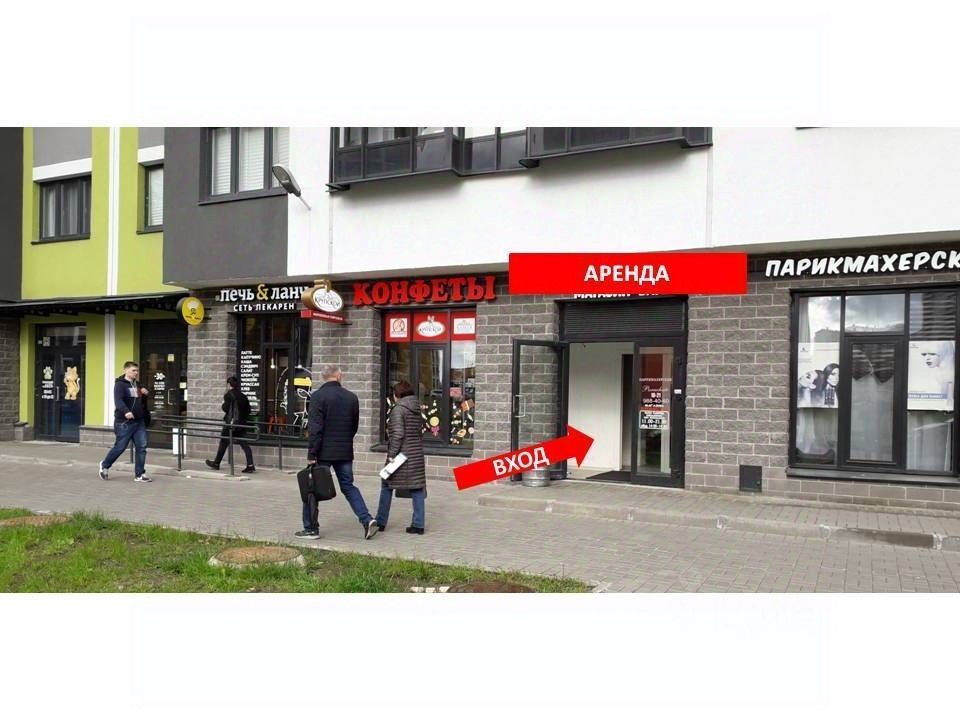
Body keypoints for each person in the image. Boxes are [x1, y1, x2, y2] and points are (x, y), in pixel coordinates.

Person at [298, 364, 378, 540]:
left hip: (323, 452)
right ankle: (367, 520)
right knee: (348, 486)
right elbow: (354, 426)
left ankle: (310, 528)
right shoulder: (351, 397)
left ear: (323, 377)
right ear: (339, 376)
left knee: (312, 489)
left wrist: (312, 454)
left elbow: (315, 429)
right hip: (344, 450)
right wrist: (345, 441)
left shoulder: (317, 397)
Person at [375, 380, 427, 534]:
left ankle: (380, 521)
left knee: (386, 483)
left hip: (400, 456)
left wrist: (391, 456)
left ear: (397, 394)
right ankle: (418, 525)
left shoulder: (398, 410)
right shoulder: (416, 408)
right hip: (416, 453)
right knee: (417, 487)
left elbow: (398, 435)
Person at [98, 361, 152, 483]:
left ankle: (139, 474)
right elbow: (118, 401)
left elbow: (139, 401)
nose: (136, 373)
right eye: (133, 370)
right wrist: (126, 411)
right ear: (125, 370)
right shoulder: (120, 385)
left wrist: (145, 394)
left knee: (142, 447)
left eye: (137, 370)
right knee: (120, 447)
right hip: (124, 422)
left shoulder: (138, 384)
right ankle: (105, 465)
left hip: (139, 421)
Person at [205, 376, 255, 473]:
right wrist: (241, 419)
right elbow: (248, 410)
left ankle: (216, 463)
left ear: (229, 384)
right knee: (245, 444)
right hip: (241, 424)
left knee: (223, 442)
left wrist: (223, 404)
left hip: (230, 424)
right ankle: (250, 465)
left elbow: (226, 408)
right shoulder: (243, 396)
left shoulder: (228, 395)